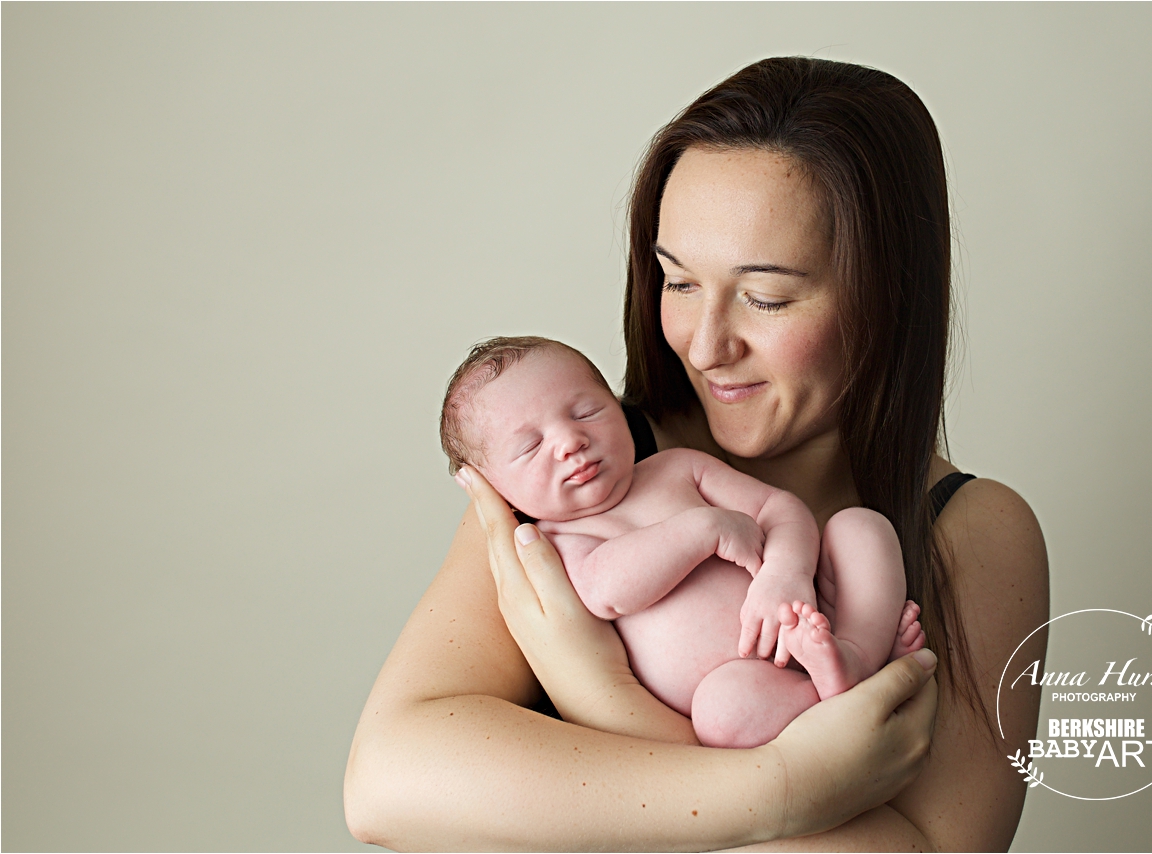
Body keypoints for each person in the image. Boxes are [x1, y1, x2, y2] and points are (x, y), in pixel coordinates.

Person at [345, 56, 1049, 850]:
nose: (706, 347)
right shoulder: (576, 480)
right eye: (678, 283)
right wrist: (780, 789)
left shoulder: (974, 531)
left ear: (888, 297)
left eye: (766, 297)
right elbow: (387, 783)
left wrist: (606, 701)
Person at [438, 336, 926, 748]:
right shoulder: (556, 544)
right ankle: (830, 691)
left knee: (860, 527)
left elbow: (780, 509)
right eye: (530, 447)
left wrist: (786, 573)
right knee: (720, 714)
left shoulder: (677, 468)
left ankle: (859, 651)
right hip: (746, 681)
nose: (570, 441)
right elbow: (606, 588)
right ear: (493, 488)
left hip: (810, 610)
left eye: (587, 411)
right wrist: (704, 530)